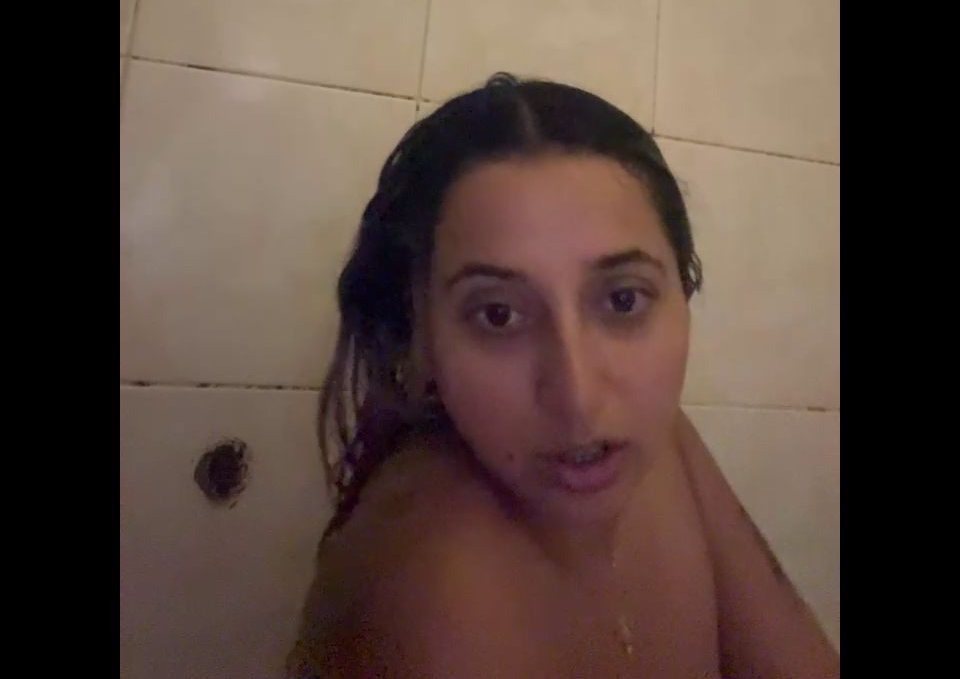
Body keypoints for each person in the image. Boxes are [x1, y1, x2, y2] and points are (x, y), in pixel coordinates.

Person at [287, 74, 840, 678]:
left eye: (623, 301)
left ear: (683, 292)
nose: (578, 398)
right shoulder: (425, 599)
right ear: (420, 340)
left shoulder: (654, 445)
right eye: (499, 315)